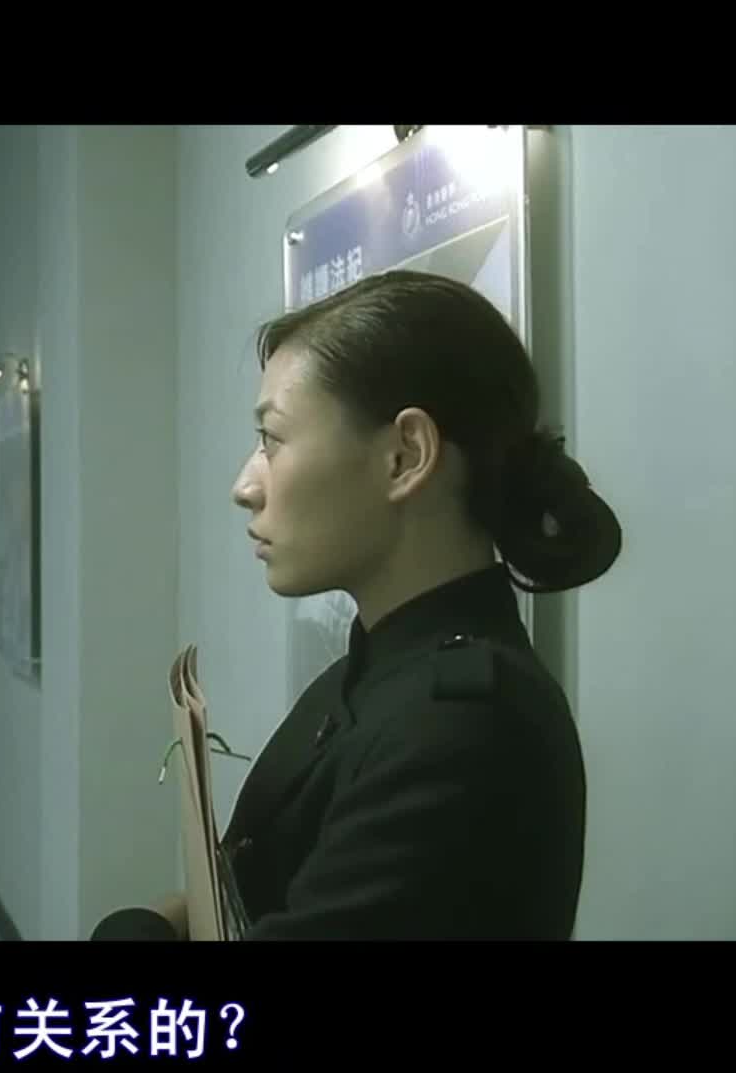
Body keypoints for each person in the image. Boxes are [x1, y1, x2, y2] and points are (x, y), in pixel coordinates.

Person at [126, 269, 622, 940]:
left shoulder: (464, 728)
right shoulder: (373, 677)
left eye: (272, 440)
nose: (246, 486)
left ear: (405, 457)